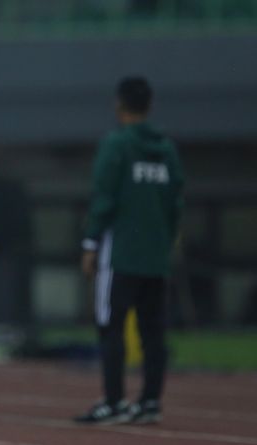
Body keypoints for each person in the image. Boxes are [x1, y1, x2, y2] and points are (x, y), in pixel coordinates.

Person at [75, 76, 185, 425]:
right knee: (154, 330)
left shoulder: (117, 144)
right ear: (150, 105)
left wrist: (90, 244)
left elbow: (104, 197)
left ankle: (114, 401)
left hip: (119, 255)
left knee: (111, 326)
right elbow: (175, 204)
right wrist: (167, 245)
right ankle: (150, 400)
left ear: (119, 104)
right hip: (156, 258)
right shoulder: (167, 149)